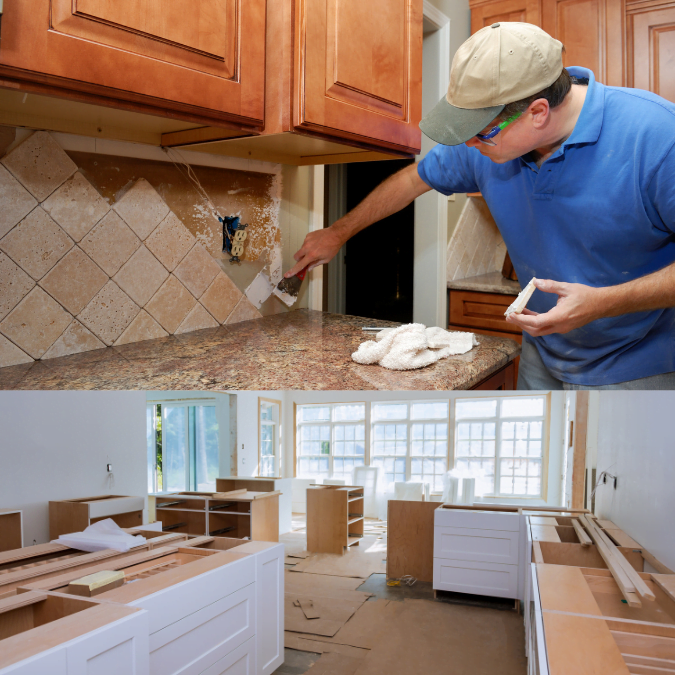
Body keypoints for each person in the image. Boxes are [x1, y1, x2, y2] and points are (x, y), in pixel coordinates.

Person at [285, 22, 675, 390]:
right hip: (544, 353)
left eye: (480, 134)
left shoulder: (657, 136)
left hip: (640, 362)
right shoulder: (486, 147)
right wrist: (338, 232)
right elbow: (411, 180)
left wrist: (604, 303)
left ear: (537, 113)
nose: (468, 145)